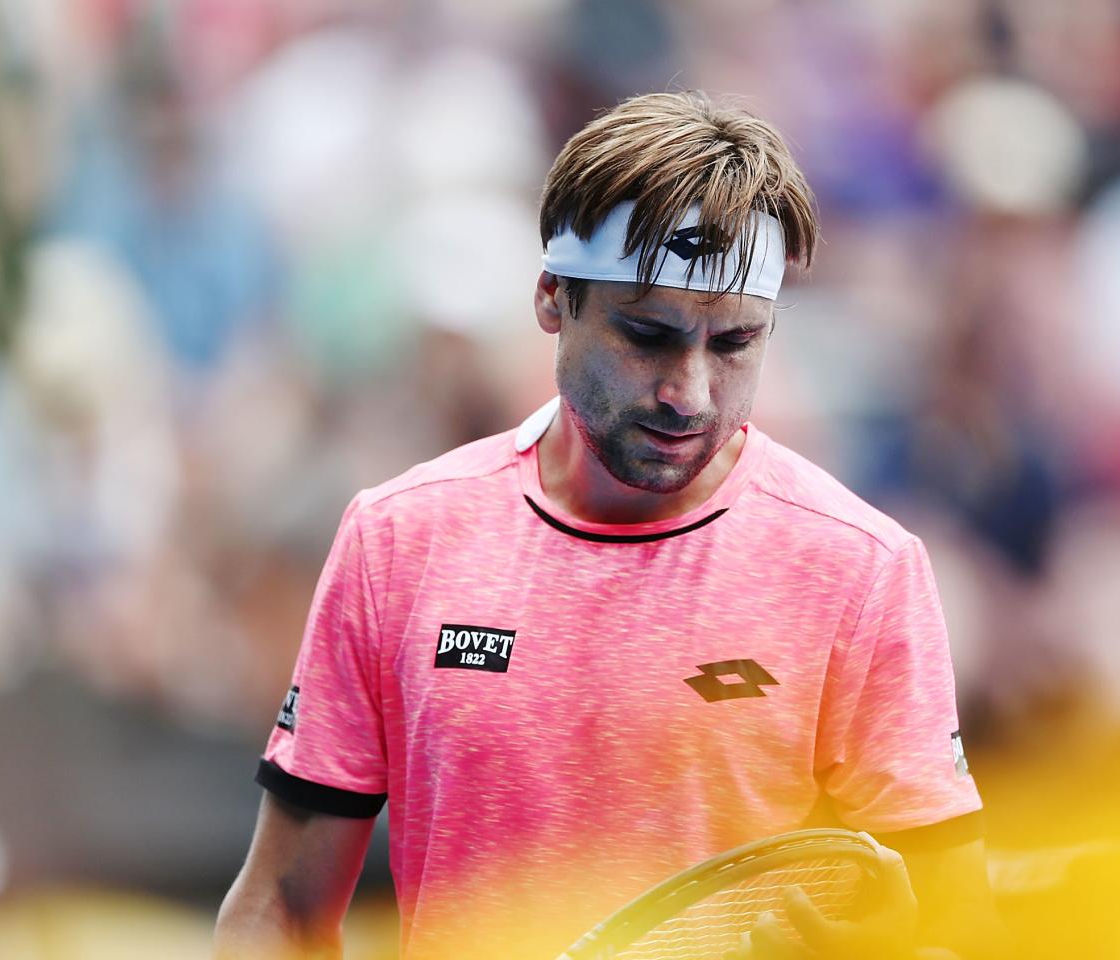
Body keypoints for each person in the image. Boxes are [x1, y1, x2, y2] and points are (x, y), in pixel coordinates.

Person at [215, 92, 1005, 960]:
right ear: (553, 298)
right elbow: (281, 907)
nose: (689, 393)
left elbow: (962, 931)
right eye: (649, 335)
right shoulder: (397, 540)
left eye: (734, 344)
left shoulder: (861, 568)